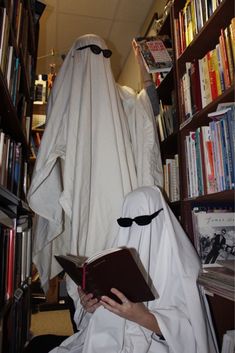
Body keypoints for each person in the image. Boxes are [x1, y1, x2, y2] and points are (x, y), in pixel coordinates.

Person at [27, 34, 163, 308]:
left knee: (124, 287)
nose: (96, 61)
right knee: (89, 295)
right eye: (91, 53)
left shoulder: (123, 99)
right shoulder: (67, 102)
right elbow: (49, 160)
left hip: (122, 210)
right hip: (82, 210)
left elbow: (149, 110)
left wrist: (143, 67)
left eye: (103, 54)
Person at [48, 186, 219, 353]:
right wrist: (94, 307)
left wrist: (142, 317)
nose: (133, 228)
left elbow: (192, 333)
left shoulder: (185, 266)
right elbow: (104, 320)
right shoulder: (118, 257)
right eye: (125, 222)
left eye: (142, 221)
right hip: (111, 338)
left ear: (161, 217)